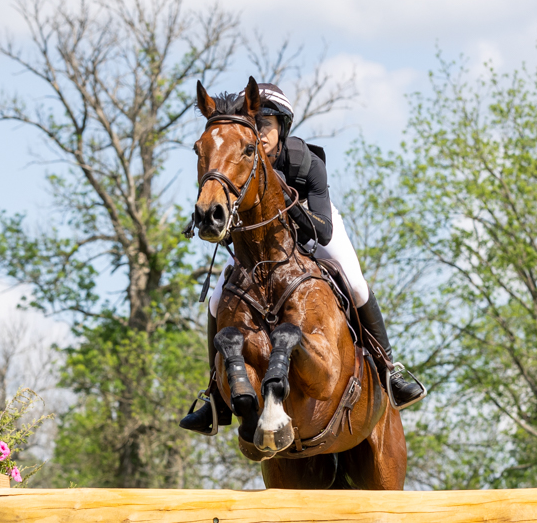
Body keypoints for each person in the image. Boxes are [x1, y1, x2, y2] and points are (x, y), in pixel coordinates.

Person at [180, 83, 426, 435]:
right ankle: (214, 399)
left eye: (266, 124)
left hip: (314, 227)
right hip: (262, 248)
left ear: (283, 127)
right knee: (218, 301)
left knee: (354, 283)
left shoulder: (305, 162)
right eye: (255, 123)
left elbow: (322, 232)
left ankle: (390, 369)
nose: (260, 132)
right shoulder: (240, 153)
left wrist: (286, 205)